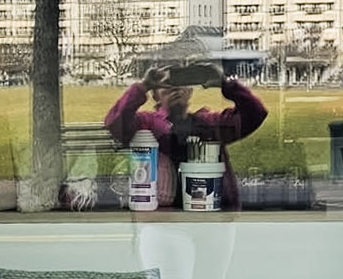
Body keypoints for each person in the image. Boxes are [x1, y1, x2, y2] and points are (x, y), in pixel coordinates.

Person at [104, 63, 268, 210]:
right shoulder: (146, 125)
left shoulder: (210, 124)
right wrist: (143, 86)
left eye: (181, 83)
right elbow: (114, 122)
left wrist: (224, 82)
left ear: (190, 91)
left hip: (211, 211)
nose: (175, 89)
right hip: (161, 215)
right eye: (167, 85)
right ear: (155, 95)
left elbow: (255, 114)